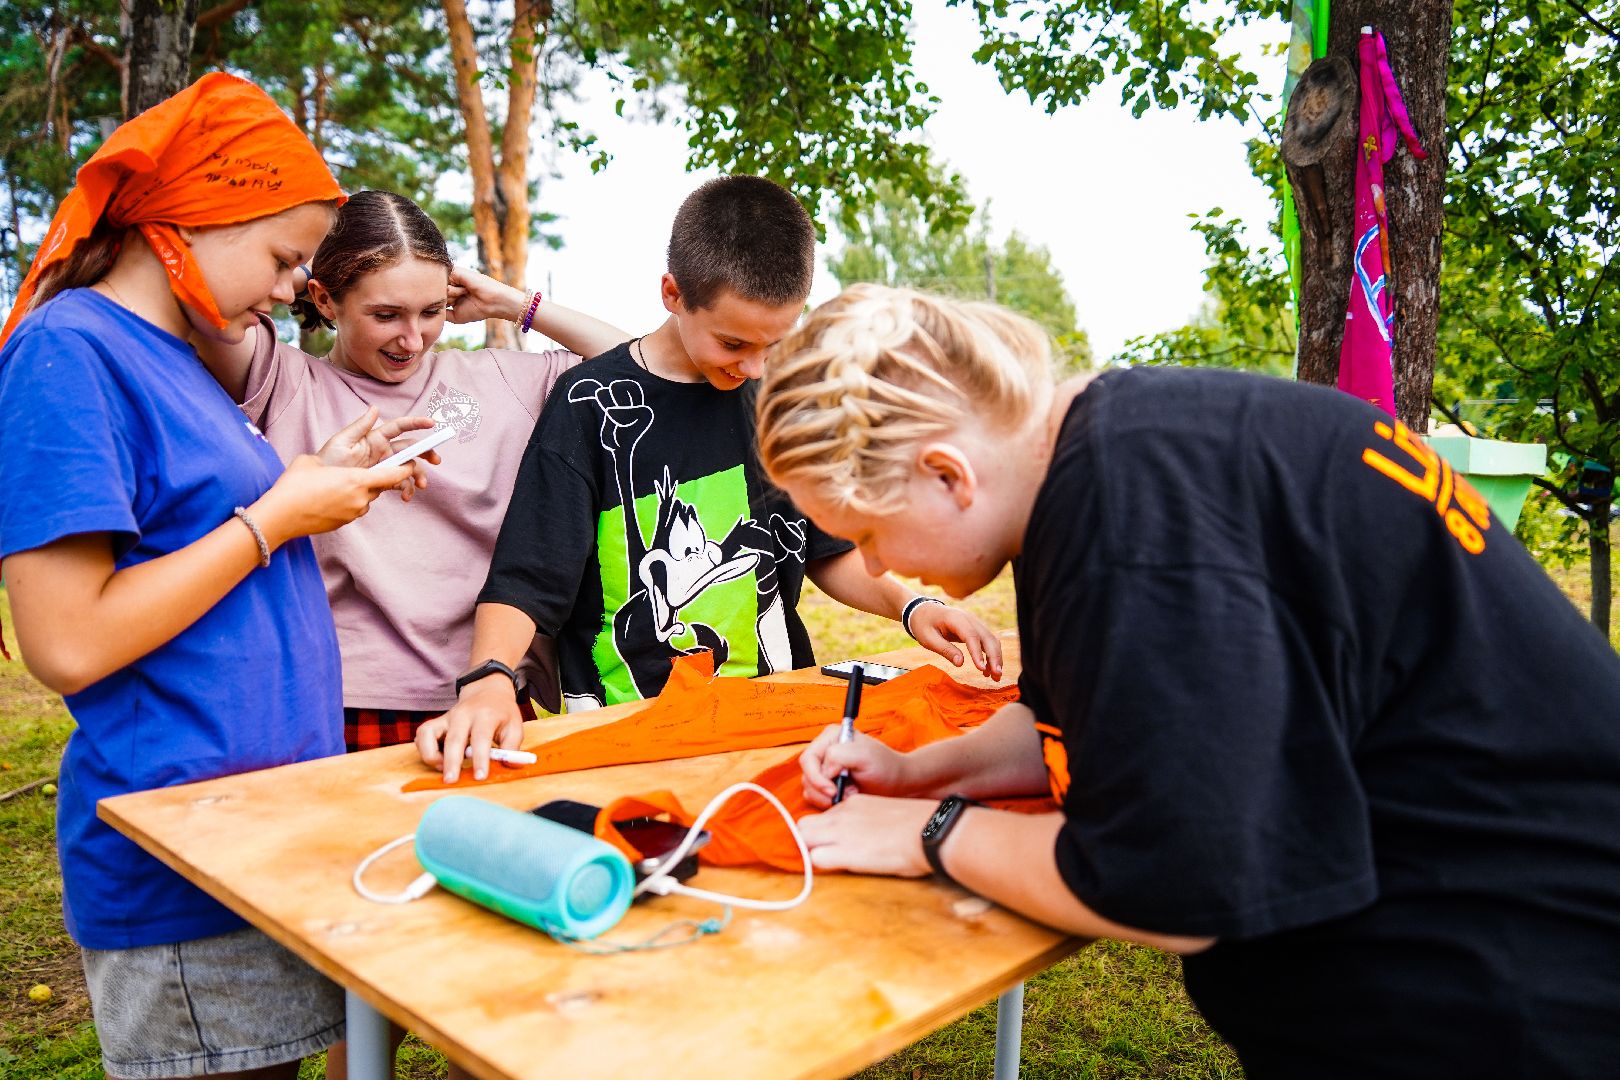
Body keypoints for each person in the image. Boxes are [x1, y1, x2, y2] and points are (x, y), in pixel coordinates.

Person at [755, 284, 1620, 1079]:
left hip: (1513, 996)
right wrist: (919, 771)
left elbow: (1174, 886)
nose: (874, 565)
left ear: (948, 474)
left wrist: (930, 833)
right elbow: (1085, 718)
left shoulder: (1132, 527)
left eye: (867, 532)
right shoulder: (1107, 461)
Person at [0, 74, 430, 1080]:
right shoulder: (68, 354)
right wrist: (276, 515)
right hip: (179, 857)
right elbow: (66, 641)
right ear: (194, 220)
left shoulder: (177, 359)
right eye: (284, 257)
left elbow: (194, 535)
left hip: (257, 837)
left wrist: (311, 480)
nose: (292, 288)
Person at [417, 176, 1003, 784]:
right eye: (732, 343)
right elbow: (527, 579)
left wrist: (913, 606)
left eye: (774, 343)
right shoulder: (589, 405)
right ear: (673, 293)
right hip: (630, 733)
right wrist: (487, 680)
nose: (754, 367)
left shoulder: (775, 401)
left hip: (776, 726)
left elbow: (825, 550)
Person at [192, 190, 629, 755]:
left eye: (431, 311)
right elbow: (205, 302)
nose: (412, 338)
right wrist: (303, 272)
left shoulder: (501, 378)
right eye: (385, 314)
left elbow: (638, 369)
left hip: (490, 691)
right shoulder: (281, 380)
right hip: (343, 699)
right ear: (327, 301)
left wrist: (513, 303)